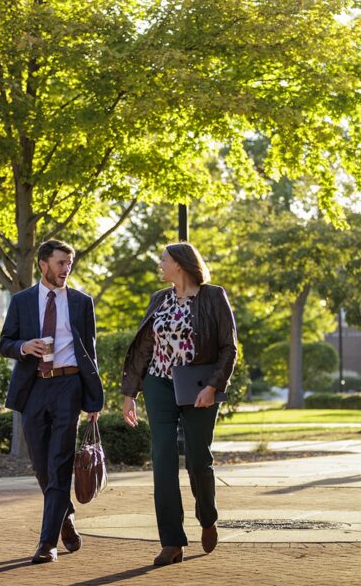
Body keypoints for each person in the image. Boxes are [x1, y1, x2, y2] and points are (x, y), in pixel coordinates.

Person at [121, 242, 237, 566]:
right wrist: (129, 393)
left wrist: (214, 386)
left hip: (198, 387)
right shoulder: (159, 300)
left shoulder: (213, 296)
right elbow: (144, 348)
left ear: (181, 264)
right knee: (162, 459)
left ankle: (208, 516)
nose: (160, 265)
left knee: (198, 461)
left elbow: (229, 347)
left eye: (164, 260)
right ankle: (171, 542)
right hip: (159, 383)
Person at [0, 240, 103, 564]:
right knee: (41, 465)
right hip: (33, 388)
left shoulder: (82, 302)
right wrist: (24, 347)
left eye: (69, 263)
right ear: (43, 264)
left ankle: (47, 544)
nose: (66, 269)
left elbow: (90, 351)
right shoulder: (22, 301)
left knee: (59, 462)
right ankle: (66, 515)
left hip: (69, 386)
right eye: (60, 263)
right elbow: (4, 343)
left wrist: (94, 398)